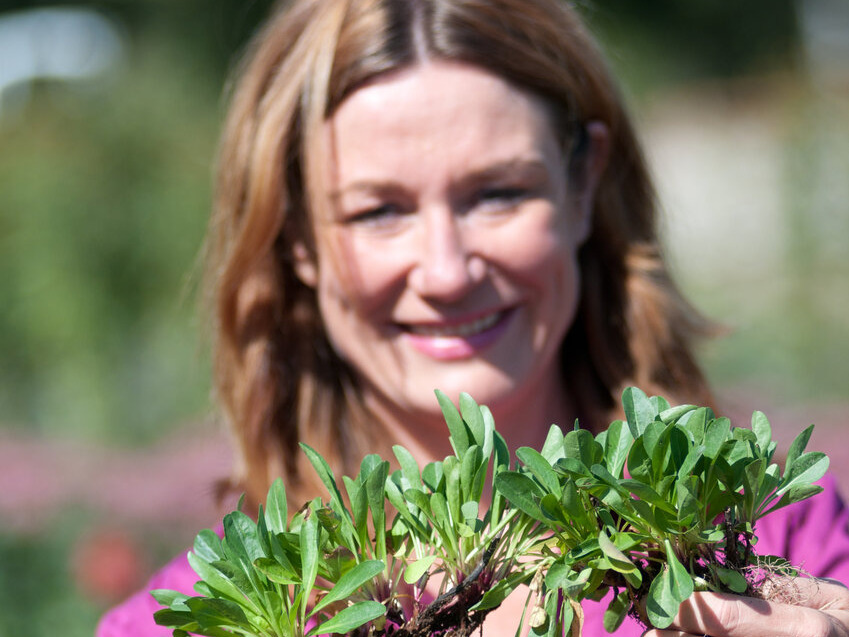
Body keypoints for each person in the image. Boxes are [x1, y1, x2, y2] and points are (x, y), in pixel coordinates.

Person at [97, 0, 849, 635]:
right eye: (378, 210)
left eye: (497, 193)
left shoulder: (782, 541)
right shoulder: (188, 618)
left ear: (582, 185)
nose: (447, 270)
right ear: (294, 237)